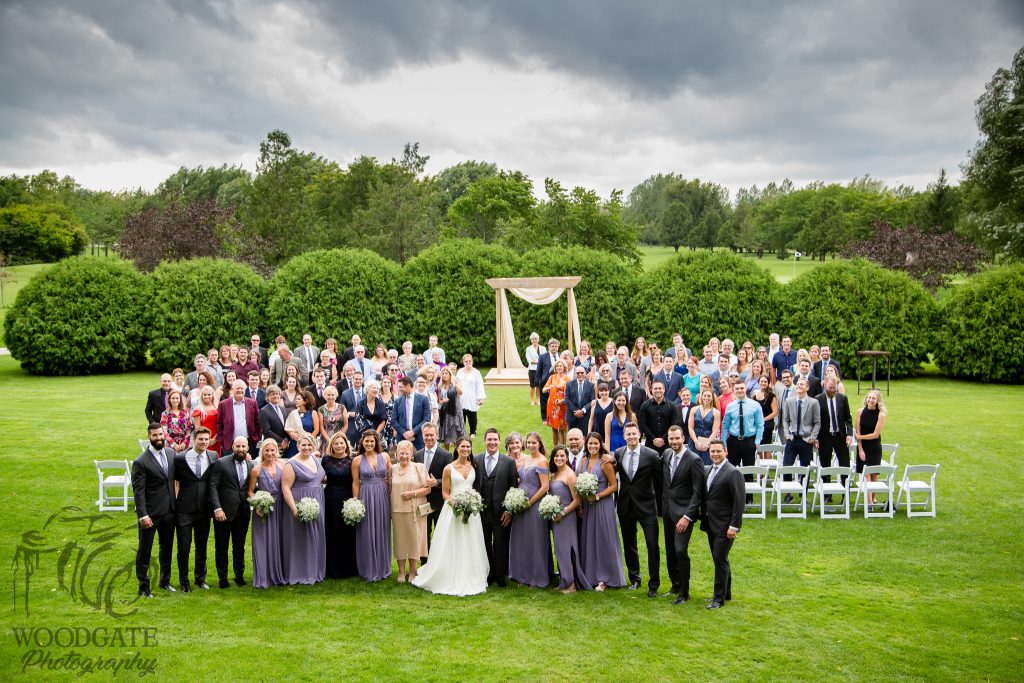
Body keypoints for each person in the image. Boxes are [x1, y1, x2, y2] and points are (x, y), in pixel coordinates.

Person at [411, 436, 490, 595]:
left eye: (468, 447)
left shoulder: (474, 465)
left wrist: (471, 502)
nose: (466, 450)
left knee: (470, 542)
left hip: (470, 511)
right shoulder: (449, 468)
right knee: (453, 541)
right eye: (463, 447)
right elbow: (445, 493)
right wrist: (457, 504)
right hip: (453, 510)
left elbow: (476, 488)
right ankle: (447, 574)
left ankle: (471, 573)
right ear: (456, 448)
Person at [613, 422, 663, 597]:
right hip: (626, 505)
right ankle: (635, 578)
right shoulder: (619, 453)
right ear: (624, 436)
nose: (631, 437)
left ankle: (654, 584)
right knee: (629, 544)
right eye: (628, 434)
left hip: (647, 506)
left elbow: (661, 481)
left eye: (634, 434)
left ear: (640, 435)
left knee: (652, 545)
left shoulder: (651, 455)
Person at [661, 426, 705, 604]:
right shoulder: (666, 455)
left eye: (677, 438)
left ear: (683, 438)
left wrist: (687, 517)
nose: (674, 442)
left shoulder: (694, 460)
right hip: (667, 511)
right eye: (671, 439)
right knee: (670, 551)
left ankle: (684, 593)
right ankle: (675, 585)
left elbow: (698, 493)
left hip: (684, 514)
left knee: (680, 550)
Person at [133, 424, 177, 597]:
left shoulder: (171, 454)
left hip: (169, 512)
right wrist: (142, 515)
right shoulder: (141, 461)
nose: (159, 438)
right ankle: (143, 587)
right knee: (145, 551)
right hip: (150, 514)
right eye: (155, 435)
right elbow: (138, 492)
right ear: (148, 436)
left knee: (166, 549)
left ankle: (165, 581)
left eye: (161, 434)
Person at [578, 432, 625, 591]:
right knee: (589, 539)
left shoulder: (605, 462)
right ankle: (591, 575)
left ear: (600, 445)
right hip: (587, 505)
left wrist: (597, 496)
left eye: (595, 444)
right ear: (586, 444)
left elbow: (613, 486)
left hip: (602, 505)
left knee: (604, 539)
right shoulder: (584, 461)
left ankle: (606, 577)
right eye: (590, 443)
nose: (592, 446)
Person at [173, 427, 218, 592]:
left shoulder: (213, 456)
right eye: (201, 439)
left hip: (204, 510)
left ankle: (200, 579)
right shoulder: (180, 458)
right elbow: (174, 481)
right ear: (194, 440)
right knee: (183, 547)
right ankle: (184, 582)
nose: (204, 442)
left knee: (202, 546)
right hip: (184, 509)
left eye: (207, 439)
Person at [473, 428, 519, 587]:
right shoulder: (476, 459)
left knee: (500, 543)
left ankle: (500, 575)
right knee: (484, 543)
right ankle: (488, 573)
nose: (492, 442)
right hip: (481, 512)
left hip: (501, 512)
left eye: (495, 440)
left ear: (499, 442)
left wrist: (509, 510)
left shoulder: (509, 462)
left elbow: (513, 488)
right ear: (484, 441)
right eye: (489, 439)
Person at [702, 440, 744, 609]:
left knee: (719, 559)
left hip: (725, 526)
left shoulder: (732, 472)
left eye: (719, 451)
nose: (715, 454)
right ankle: (726, 593)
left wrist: (734, 526)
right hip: (711, 524)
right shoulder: (708, 470)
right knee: (720, 558)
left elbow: (738, 502)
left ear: (726, 452)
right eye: (712, 451)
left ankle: (718, 599)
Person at [279, 435, 326, 585]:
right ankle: (299, 571)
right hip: (300, 502)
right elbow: (286, 488)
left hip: (318, 501)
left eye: (309, 445)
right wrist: (294, 509)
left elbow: (320, 479)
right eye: (303, 445)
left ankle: (315, 570)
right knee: (300, 538)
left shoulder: (314, 459)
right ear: (298, 445)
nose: (306, 448)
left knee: (316, 535)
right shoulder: (291, 464)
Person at [509, 433, 554, 588]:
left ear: (539, 443)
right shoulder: (526, 458)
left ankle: (537, 576)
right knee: (522, 540)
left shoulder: (542, 461)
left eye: (534, 442)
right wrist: (516, 498)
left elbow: (545, 487)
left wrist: (529, 503)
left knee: (535, 541)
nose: (531, 445)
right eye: (528, 442)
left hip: (534, 506)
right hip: (520, 504)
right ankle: (522, 574)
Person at [209, 436, 254, 589]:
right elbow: (213, 486)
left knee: (239, 546)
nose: (240, 449)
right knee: (222, 546)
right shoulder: (221, 463)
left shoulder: (250, 464)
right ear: (232, 446)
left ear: (247, 448)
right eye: (237, 446)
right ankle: (222, 578)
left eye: (243, 446)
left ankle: (239, 576)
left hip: (243, 511)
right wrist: (217, 508)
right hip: (224, 512)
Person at [548, 445, 591, 593]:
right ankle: (564, 580)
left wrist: (563, 512)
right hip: (556, 517)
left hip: (566, 518)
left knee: (567, 549)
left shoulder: (570, 475)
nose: (559, 458)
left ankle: (572, 583)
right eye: (556, 456)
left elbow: (577, 500)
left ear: (566, 457)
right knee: (559, 549)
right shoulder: (553, 474)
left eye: (562, 456)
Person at [352, 430, 392, 582]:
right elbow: (355, 483)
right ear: (362, 442)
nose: (369, 444)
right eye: (366, 441)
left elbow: (390, 477)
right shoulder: (357, 460)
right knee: (367, 531)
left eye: (372, 441)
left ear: (376, 442)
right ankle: (368, 567)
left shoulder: (385, 456)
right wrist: (356, 503)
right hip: (366, 496)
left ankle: (383, 567)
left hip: (382, 496)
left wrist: (390, 496)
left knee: (382, 529)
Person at [390, 440, 430, 582]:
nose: (404, 456)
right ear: (397, 454)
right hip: (397, 510)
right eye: (401, 453)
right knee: (400, 540)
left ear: (412, 454)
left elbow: (427, 488)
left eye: (407, 453)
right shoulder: (393, 469)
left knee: (414, 540)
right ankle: (401, 572)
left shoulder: (419, 468)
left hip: (414, 510)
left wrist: (412, 493)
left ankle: (413, 571)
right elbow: (389, 488)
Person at [249, 439, 286, 588]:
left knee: (279, 540)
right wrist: (257, 504)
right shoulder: (256, 469)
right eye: (267, 450)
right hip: (262, 510)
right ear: (262, 452)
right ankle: (263, 576)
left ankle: (278, 574)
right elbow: (250, 491)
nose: (270, 453)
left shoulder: (283, 466)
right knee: (262, 541)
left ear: (276, 451)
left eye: (272, 450)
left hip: (281, 507)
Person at [322, 433, 358, 579]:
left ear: (346, 444)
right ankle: (331, 569)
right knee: (331, 532)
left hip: (347, 498)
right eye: (336, 443)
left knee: (347, 532)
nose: (339, 446)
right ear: (332, 445)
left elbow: (356, 481)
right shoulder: (325, 460)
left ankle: (349, 568)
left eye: (341, 443)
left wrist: (355, 501)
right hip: (330, 499)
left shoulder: (352, 461)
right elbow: (320, 477)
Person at [413, 423, 451, 551]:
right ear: (422, 436)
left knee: (441, 535)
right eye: (426, 435)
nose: (429, 438)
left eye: (431, 435)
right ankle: (425, 563)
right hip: (423, 501)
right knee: (423, 534)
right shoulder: (417, 455)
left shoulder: (446, 455)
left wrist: (437, 483)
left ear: (436, 435)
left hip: (440, 501)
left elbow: (451, 479)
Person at [815, 375, 853, 490]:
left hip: (840, 437)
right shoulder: (818, 399)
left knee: (845, 464)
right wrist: (815, 437)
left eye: (834, 388)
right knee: (826, 465)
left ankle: (845, 491)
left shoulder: (842, 398)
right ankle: (827, 493)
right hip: (824, 437)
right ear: (825, 384)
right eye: (831, 388)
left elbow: (848, 418)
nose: (833, 390)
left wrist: (850, 434)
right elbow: (815, 420)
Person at [722, 379, 765, 469]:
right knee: (732, 470)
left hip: (749, 441)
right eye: (737, 389)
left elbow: (760, 425)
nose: (739, 390)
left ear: (746, 389)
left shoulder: (755, 405)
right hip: (733, 441)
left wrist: (757, 441)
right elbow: (725, 427)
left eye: (742, 388)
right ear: (733, 390)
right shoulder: (730, 406)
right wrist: (724, 443)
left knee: (748, 471)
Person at [855, 389, 888, 505]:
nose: (870, 400)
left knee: (874, 474)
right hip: (862, 447)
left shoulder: (881, 415)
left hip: (874, 447)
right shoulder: (860, 412)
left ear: (878, 400)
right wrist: (860, 449)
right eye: (869, 397)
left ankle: (873, 498)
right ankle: (869, 503)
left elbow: (875, 434)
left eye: (873, 398)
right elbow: (857, 431)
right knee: (866, 474)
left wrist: (860, 437)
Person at [781, 378, 821, 471]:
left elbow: (817, 422)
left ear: (807, 387)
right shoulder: (789, 401)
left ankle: (804, 485)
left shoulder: (813, 402)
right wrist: (787, 434)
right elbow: (786, 420)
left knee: (805, 469)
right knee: (786, 467)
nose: (799, 386)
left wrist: (813, 437)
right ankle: (787, 485)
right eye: (798, 384)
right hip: (792, 439)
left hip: (806, 440)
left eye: (802, 384)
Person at [216, 380, 261, 455]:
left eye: (242, 388)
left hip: (249, 443)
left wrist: (256, 438)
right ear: (232, 390)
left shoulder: (252, 403)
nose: (240, 390)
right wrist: (222, 440)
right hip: (229, 443)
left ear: (245, 390)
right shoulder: (223, 404)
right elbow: (219, 424)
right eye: (237, 388)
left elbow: (258, 422)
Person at [637, 380, 681, 452]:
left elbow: (673, 424)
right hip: (650, 443)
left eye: (660, 388)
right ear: (651, 390)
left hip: (667, 443)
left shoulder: (672, 406)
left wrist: (663, 438)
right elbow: (642, 424)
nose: (658, 390)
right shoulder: (645, 405)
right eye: (655, 388)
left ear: (664, 390)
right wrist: (653, 439)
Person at [393, 375, 431, 450]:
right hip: (402, 438)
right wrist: (404, 432)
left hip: (419, 438)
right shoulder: (398, 401)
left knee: (419, 461)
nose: (399, 389)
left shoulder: (423, 399)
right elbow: (393, 420)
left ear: (407, 385)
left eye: (400, 387)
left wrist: (413, 432)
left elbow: (427, 419)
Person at [455, 354, 486, 440]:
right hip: (461, 397)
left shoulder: (476, 372)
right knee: (461, 415)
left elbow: (480, 385)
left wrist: (481, 398)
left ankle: (473, 432)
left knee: (472, 415)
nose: (468, 363)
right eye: (466, 361)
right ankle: (462, 432)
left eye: (469, 361)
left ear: (472, 362)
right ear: (463, 362)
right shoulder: (460, 371)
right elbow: (457, 383)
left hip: (472, 397)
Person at [688, 389, 721, 465]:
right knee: (693, 463)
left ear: (712, 398)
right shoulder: (694, 409)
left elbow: (715, 431)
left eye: (709, 396)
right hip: (694, 440)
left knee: (706, 465)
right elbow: (690, 428)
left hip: (708, 441)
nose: (706, 398)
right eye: (704, 395)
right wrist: (696, 441)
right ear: (701, 396)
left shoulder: (716, 412)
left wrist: (707, 443)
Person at [284, 391, 320, 458]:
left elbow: (317, 429)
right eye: (296, 399)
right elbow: (287, 427)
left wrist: (308, 439)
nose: (296, 401)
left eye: (298, 399)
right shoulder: (293, 413)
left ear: (305, 401)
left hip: (309, 443)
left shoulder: (313, 413)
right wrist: (291, 433)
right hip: (295, 443)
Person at [542, 360, 570, 445]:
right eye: (557, 366)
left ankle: (562, 448)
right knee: (554, 427)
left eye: (561, 366)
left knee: (562, 428)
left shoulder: (568, 379)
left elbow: (569, 394)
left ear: (564, 367)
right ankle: (555, 448)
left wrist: (562, 401)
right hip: (552, 405)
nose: (559, 368)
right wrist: (548, 388)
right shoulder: (552, 377)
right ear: (555, 368)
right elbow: (543, 390)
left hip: (562, 405)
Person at [436, 366, 465, 448]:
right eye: (443, 374)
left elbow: (461, 392)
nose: (444, 375)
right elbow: (439, 400)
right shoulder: (440, 386)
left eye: (446, 373)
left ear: (450, 374)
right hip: (445, 411)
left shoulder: (455, 382)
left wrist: (455, 384)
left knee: (456, 432)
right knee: (446, 433)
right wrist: (443, 401)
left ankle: (457, 454)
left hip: (455, 410)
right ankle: (447, 454)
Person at [258, 386, 289, 455]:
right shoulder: (264, 411)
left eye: (277, 394)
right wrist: (282, 441)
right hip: (271, 446)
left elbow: (288, 426)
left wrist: (286, 440)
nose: (275, 396)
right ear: (267, 396)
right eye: (273, 394)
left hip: (285, 446)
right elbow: (266, 431)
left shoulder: (284, 409)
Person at [535, 339, 560, 422]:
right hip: (545, 381)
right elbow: (538, 370)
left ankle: (555, 416)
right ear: (549, 347)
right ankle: (544, 418)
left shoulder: (560, 356)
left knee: (556, 399)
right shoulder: (542, 357)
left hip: (558, 381)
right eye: (552, 346)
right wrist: (539, 382)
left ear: (558, 347)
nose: (554, 348)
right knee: (544, 400)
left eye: (556, 346)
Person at [565, 365, 595, 434]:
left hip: (585, 416)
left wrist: (582, 411)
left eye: (582, 372)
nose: (580, 374)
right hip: (572, 416)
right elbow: (567, 399)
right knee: (572, 437)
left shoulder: (591, 385)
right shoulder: (569, 384)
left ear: (585, 373)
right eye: (578, 373)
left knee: (584, 437)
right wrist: (576, 411)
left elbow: (592, 400)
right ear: (575, 374)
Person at [160, 389, 192, 454]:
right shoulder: (165, 414)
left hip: (184, 444)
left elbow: (189, 430)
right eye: (173, 398)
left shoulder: (185, 413)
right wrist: (174, 445)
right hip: (170, 445)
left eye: (177, 398)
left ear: (180, 400)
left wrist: (184, 443)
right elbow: (164, 432)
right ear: (169, 400)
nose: (175, 400)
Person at [317, 385, 347, 453]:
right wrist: (329, 440)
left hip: (340, 438)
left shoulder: (342, 407)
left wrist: (339, 437)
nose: (331, 397)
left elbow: (346, 425)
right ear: (325, 396)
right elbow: (321, 427)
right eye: (328, 395)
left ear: (336, 395)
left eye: (332, 395)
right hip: (326, 439)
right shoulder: (321, 409)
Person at [191, 386, 220, 455]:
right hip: (203, 440)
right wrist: (207, 440)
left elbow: (221, 425)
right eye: (205, 395)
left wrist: (215, 439)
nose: (207, 396)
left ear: (212, 395)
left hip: (216, 439)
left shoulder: (218, 408)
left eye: (209, 394)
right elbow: (198, 428)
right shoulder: (198, 409)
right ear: (201, 396)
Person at [753, 375, 779, 445]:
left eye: (765, 382)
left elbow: (775, 412)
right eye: (761, 381)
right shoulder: (755, 395)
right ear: (758, 382)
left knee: (767, 447)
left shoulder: (771, 396)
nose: (763, 383)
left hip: (767, 425)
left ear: (768, 383)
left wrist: (763, 419)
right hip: (756, 425)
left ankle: (767, 457)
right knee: (758, 447)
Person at [588, 382, 613, 447]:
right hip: (597, 431)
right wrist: (589, 433)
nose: (603, 393)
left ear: (609, 391)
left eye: (606, 391)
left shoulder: (613, 402)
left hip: (610, 432)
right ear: (598, 392)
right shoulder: (595, 403)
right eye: (601, 391)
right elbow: (591, 419)